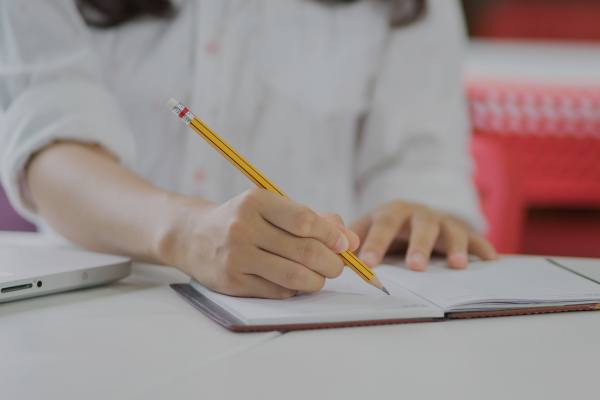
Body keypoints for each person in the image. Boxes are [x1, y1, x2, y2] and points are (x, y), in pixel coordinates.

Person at [0, 0, 496, 299]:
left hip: (315, 330)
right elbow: (47, 145)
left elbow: (421, 164)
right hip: (103, 314)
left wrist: (420, 218)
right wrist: (185, 231)